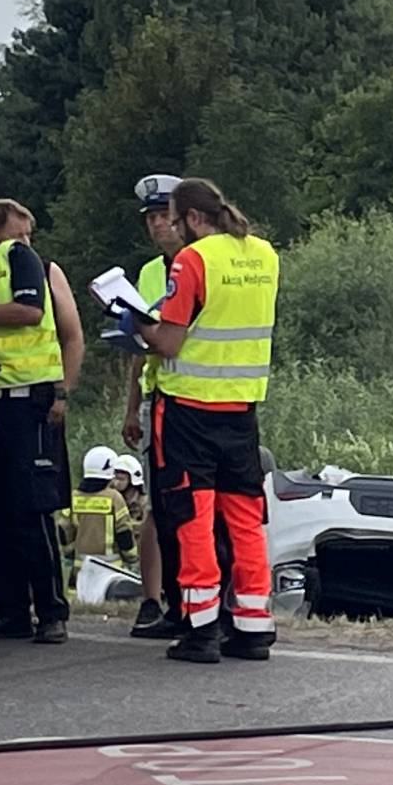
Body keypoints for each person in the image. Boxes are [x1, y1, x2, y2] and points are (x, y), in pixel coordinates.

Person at [116, 177, 279, 665]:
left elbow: (168, 342)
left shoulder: (192, 260)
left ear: (191, 218)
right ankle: (253, 626)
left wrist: (134, 320)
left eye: (173, 218)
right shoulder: (264, 255)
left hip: (188, 409)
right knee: (245, 518)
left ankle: (201, 628)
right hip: (241, 408)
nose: (170, 227)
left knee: (193, 519)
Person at [0, 198, 72, 644]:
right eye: (20, 232)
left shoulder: (16, 257)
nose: (27, 241)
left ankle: (51, 612)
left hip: (27, 399)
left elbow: (30, 311)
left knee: (32, 510)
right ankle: (12, 611)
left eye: (27, 234)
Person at [120, 174, 188, 639]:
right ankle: (151, 599)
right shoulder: (148, 273)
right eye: (150, 218)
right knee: (155, 505)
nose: (157, 225)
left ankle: (191, 598)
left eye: (164, 216)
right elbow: (138, 348)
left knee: (189, 504)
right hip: (156, 394)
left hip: (196, 396)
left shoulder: (199, 263)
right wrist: (130, 408)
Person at [67, 444, 137, 598]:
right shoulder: (114, 498)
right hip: (111, 571)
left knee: (78, 604)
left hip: (79, 570)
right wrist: (132, 557)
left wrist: (70, 552)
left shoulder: (73, 497)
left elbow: (63, 530)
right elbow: (124, 532)